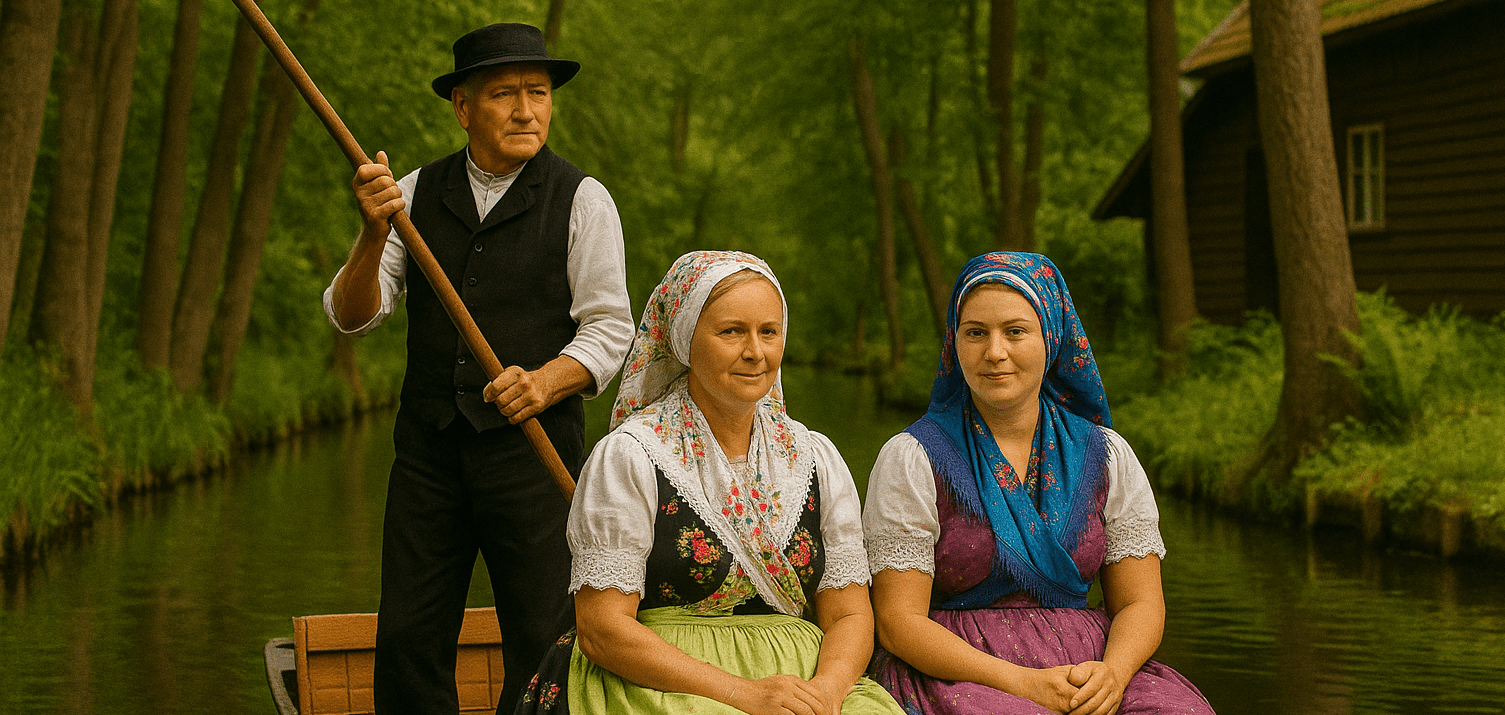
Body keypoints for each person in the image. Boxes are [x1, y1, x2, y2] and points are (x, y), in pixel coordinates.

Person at [320, 23, 633, 715]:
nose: (527, 110)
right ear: (463, 107)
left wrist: (543, 380)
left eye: (538, 93)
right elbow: (350, 315)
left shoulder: (583, 199)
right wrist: (373, 235)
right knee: (408, 632)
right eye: (505, 95)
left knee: (542, 635)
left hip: (533, 454)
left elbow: (611, 328)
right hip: (429, 454)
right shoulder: (410, 193)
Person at [514, 251, 903, 715]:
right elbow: (602, 631)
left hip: (804, 683)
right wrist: (745, 695)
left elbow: (849, 614)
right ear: (685, 341)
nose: (755, 352)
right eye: (731, 331)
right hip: (662, 682)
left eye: (768, 332)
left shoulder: (814, 457)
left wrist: (827, 692)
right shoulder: (632, 455)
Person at [862, 252, 1214, 715]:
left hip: (1091, 669)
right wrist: (1024, 685)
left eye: (1015, 331)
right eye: (975, 333)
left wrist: (1114, 672)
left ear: (1050, 337)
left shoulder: (1106, 454)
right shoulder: (913, 457)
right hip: (960, 673)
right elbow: (897, 622)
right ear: (955, 341)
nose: (994, 352)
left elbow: (1141, 604)